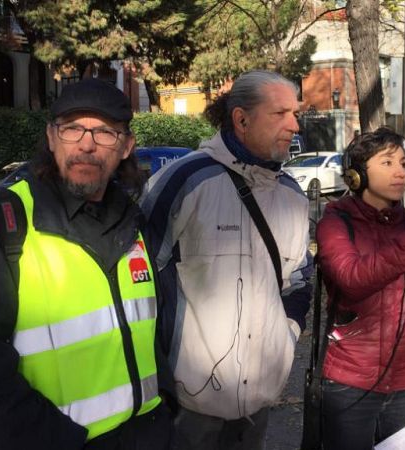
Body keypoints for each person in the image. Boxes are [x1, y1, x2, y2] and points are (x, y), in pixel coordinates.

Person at [0, 78, 170, 449]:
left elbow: (151, 336)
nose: (87, 144)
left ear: (126, 147)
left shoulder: (134, 222)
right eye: (72, 128)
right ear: (51, 137)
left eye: (105, 131)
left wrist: (164, 419)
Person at [140, 70, 313, 450]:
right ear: (241, 119)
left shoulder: (291, 195)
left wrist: (285, 337)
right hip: (188, 404)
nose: (294, 125)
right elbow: (139, 280)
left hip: (260, 401)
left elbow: (299, 279)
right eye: (280, 113)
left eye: (295, 113)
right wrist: (161, 375)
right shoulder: (184, 181)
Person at [315, 128, 405, 450]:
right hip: (348, 383)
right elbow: (352, 280)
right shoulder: (336, 222)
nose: (401, 172)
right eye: (387, 162)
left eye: (404, 163)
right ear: (356, 175)